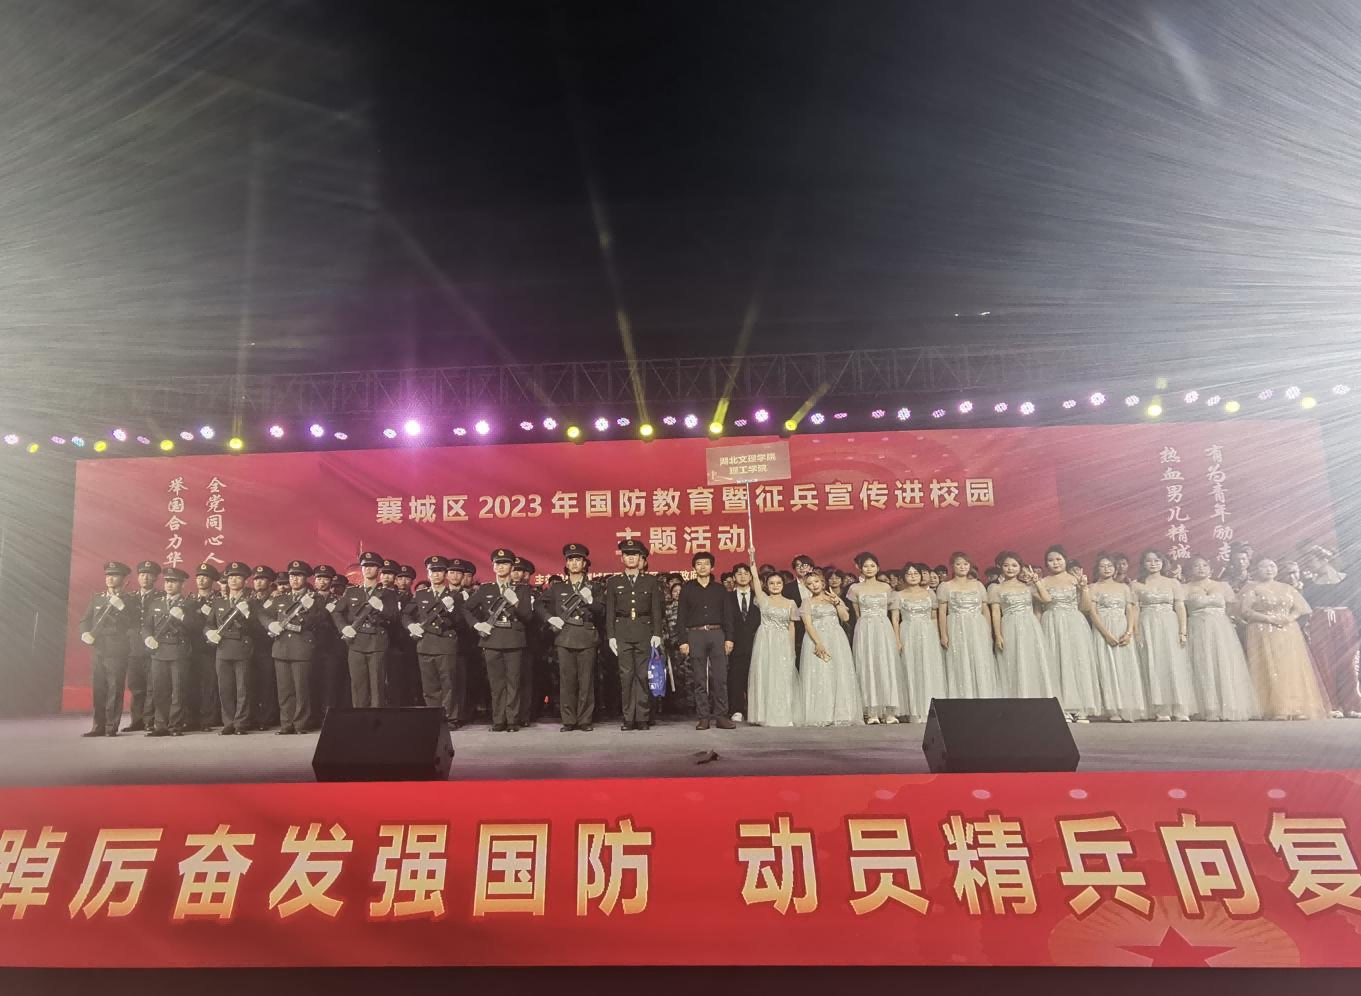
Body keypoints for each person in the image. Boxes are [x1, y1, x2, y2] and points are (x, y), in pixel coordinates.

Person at [1239, 558, 1329, 720]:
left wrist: (1289, 618)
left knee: (1290, 667)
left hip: (1288, 630)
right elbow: (1245, 611)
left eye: (1272, 566)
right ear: (1256, 570)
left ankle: (1296, 707)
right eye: (1264, 567)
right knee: (1268, 665)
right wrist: (1268, 619)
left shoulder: (1286, 588)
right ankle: (1274, 708)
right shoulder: (1251, 588)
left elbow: (1300, 608)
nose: (1269, 569)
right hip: (1262, 629)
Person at [464, 549, 535, 731]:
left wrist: (516, 603)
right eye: (498, 563)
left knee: (513, 682)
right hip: (492, 640)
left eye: (505, 563)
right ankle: (498, 720)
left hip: (514, 640)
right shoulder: (486, 589)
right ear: (493, 566)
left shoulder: (522, 589)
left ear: (512, 567)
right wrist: (477, 625)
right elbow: (466, 608)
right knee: (496, 683)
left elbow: (528, 617)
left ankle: (512, 720)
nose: (501, 567)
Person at [1183, 555, 1258, 721]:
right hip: (1197, 628)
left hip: (1221, 629)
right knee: (1203, 665)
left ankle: (1229, 706)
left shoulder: (1223, 586)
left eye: (1204, 565)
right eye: (1196, 566)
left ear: (1210, 568)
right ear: (1189, 570)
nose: (1201, 568)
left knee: (1224, 664)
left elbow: (1232, 608)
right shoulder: (1184, 588)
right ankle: (1209, 708)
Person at [538, 543, 601, 732]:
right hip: (565, 636)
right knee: (567, 681)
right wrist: (550, 618)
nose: (574, 563)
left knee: (586, 681)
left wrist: (590, 600)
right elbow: (539, 604)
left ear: (584, 563)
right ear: (566, 563)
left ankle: (585, 720)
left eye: (578, 560)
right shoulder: (558, 588)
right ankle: (568, 720)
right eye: (571, 560)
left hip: (586, 636)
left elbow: (602, 610)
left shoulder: (594, 587)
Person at [263, 560, 330, 735]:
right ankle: (286, 724)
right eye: (292, 575)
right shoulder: (280, 598)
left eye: (299, 575)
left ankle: (301, 724)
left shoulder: (315, 599)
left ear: (306, 578)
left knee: (302, 689)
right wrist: (270, 624)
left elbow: (322, 621)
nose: (294, 579)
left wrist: (311, 608)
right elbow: (262, 613)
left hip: (302, 648)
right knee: (284, 690)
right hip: (281, 648)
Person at [605, 539, 665, 731]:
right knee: (626, 676)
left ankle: (642, 717)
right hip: (622, 632)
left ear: (641, 558)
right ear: (622, 558)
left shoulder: (651, 581)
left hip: (644, 631)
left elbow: (656, 610)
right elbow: (610, 611)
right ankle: (628, 718)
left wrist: (657, 633)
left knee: (643, 675)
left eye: (635, 555)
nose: (631, 558)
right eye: (627, 555)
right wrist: (611, 636)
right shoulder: (614, 582)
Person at [1132, 549, 1197, 722]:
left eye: (1157, 560)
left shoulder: (1173, 583)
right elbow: (1135, 609)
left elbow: (1180, 607)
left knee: (1174, 664)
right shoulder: (1136, 584)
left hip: (1170, 625)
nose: (1153, 564)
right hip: (1147, 625)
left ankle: (1180, 708)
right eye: (1149, 561)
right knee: (1153, 663)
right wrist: (1136, 631)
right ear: (1143, 564)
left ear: (1163, 563)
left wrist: (1182, 631)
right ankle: (1161, 708)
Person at [1037, 546, 1099, 722]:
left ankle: (1081, 708)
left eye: (1058, 559)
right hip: (1052, 623)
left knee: (1077, 662)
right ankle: (1061, 707)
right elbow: (1040, 607)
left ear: (1065, 560)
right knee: (1057, 663)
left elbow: (1085, 607)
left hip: (1074, 623)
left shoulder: (1075, 580)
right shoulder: (1043, 582)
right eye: (1050, 560)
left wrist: (1084, 588)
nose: (1055, 563)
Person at [331, 551, 400, 709]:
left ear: (378, 570)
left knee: (377, 686)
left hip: (377, 642)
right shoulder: (352, 591)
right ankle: (360, 719)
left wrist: (381, 607)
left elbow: (395, 617)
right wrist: (344, 628)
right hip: (356, 642)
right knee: (358, 685)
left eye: (372, 566)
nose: (368, 569)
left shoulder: (387, 594)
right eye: (365, 566)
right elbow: (336, 612)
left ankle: (377, 719)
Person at [1299, 544, 1361, 718]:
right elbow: (1306, 607)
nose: (1308, 565)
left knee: (1348, 661)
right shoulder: (1309, 584)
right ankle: (1331, 704)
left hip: (1344, 621)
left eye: (1311, 561)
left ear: (1324, 560)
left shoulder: (1348, 579)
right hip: (1319, 622)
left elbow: (1357, 605)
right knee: (1324, 662)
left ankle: (1352, 704)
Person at [404, 556, 465, 727]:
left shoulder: (455, 596)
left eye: (440, 571)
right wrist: (411, 626)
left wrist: (451, 608)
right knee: (430, 685)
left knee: (449, 684)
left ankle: (450, 718)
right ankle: (434, 717)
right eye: (433, 571)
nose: (436, 575)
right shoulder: (421, 594)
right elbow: (405, 614)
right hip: (425, 644)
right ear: (428, 574)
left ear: (445, 574)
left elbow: (461, 622)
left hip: (445, 644)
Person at [77, 561, 136, 737]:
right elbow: (85, 620)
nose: (110, 578)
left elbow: (134, 623)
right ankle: (98, 726)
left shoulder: (129, 600)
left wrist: (122, 607)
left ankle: (111, 726)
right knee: (99, 689)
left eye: (114, 575)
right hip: (99, 649)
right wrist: (85, 633)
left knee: (114, 689)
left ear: (123, 578)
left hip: (117, 649)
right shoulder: (98, 599)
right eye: (108, 575)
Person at [1086, 554, 1147, 722]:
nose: (1107, 569)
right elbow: (1093, 613)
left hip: (1122, 628)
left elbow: (1130, 610)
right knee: (1107, 666)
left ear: (1115, 569)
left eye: (1110, 566)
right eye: (1103, 566)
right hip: (1103, 630)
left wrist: (1128, 632)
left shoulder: (1124, 588)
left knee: (1125, 667)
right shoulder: (1093, 588)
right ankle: (1112, 708)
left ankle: (1127, 707)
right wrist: (1106, 634)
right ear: (1097, 569)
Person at [846, 551, 905, 724]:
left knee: (886, 665)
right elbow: (857, 614)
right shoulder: (854, 588)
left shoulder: (886, 587)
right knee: (868, 665)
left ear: (878, 568)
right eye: (865, 566)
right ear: (860, 568)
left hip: (883, 628)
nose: (869, 569)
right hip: (865, 628)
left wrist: (896, 638)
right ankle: (871, 711)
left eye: (872, 565)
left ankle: (889, 711)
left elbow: (892, 613)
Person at [678, 551, 735, 730]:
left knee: (720, 677)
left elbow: (728, 616)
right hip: (696, 635)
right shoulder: (687, 589)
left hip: (717, 633)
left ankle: (721, 716)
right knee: (699, 678)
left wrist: (729, 638)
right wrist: (683, 641)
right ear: (693, 567)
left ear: (712, 567)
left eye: (706, 564)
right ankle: (703, 717)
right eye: (699, 564)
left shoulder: (720, 589)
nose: (702, 567)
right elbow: (681, 617)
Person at [989, 553, 1058, 701]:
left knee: (1031, 660)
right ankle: (1017, 700)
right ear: (1001, 567)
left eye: (1014, 565)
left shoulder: (1028, 587)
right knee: (1013, 662)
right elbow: (995, 612)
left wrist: (1036, 581)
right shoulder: (995, 588)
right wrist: (998, 635)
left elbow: (1047, 599)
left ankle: (1036, 698)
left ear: (1020, 568)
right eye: (1006, 565)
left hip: (1030, 626)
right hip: (1009, 626)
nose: (1010, 568)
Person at [140, 566, 199, 736]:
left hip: (179, 651)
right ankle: (160, 725)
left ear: (182, 584)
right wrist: (147, 637)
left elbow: (197, 627)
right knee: (159, 690)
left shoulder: (189, 604)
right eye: (167, 581)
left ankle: (175, 725)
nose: (169, 585)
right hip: (159, 651)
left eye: (173, 582)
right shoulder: (156, 603)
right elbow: (146, 626)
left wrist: (183, 617)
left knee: (178, 691)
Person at [798, 569, 862, 726]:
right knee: (820, 673)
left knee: (839, 672)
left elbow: (845, 617)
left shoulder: (833, 598)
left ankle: (841, 713)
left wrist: (837, 602)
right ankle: (821, 714)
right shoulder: (807, 602)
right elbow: (808, 624)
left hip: (836, 639)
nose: (814, 585)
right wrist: (818, 643)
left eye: (816, 582)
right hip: (816, 639)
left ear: (822, 582)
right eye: (809, 584)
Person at [746, 566, 802, 727]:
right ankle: (764, 714)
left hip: (783, 641)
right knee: (765, 674)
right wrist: (752, 564)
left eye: (778, 583)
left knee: (783, 676)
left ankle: (784, 713)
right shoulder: (763, 599)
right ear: (767, 585)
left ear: (783, 585)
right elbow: (755, 581)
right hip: (765, 641)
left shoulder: (790, 603)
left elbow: (791, 627)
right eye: (771, 583)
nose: (775, 586)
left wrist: (792, 649)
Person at [938, 551, 998, 698]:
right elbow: (942, 612)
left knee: (979, 659)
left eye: (965, 564)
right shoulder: (946, 586)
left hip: (977, 626)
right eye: (958, 564)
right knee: (960, 660)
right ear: (952, 566)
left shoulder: (978, 585)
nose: (962, 567)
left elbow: (985, 609)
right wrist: (944, 634)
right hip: (956, 626)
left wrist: (988, 630)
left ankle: (982, 696)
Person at [207, 561, 257, 735]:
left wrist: (248, 614)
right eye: (231, 577)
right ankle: (228, 722)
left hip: (242, 648)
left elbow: (258, 627)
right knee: (225, 688)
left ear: (245, 581)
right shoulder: (219, 602)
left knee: (243, 688)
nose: (234, 580)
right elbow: (209, 624)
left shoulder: (251, 601)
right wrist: (209, 633)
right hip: (222, 649)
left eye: (238, 577)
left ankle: (241, 723)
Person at [895, 564, 946, 723]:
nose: (913, 576)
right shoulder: (898, 595)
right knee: (911, 667)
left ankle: (930, 708)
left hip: (928, 633)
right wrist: (897, 640)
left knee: (929, 668)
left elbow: (934, 617)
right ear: (904, 577)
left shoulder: (930, 594)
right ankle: (914, 711)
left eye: (916, 573)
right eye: (909, 574)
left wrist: (937, 636)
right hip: (908, 632)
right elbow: (895, 619)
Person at [123, 560, 162, 732]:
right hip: (133, 647)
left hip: (154, 646)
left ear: (155, 578)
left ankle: (149, 720)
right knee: (135, 685)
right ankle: (136, 720)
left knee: (152, 686)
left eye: (149, 575)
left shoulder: (161, 597)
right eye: (142, 574)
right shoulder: (129, 598)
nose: (145, 578)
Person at [185, 563, 222, 731]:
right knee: (191, 684)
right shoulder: (189, 600)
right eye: (199, 577)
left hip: (210, 648)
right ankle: (191, 719)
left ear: (212, 580)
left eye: (205, 577)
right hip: (192, 647)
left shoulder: (218, 600)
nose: (201, 580)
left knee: (209, 685)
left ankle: (207, 720)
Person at [723, 563, 761, 722]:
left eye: (746, 573)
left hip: (757, 641)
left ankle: (755, 709)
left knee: (756, 676)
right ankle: (737, 709)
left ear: (751, 577)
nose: (743, 576)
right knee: (735, 676)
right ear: (734, 577)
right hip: (735, 642)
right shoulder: (727, 597)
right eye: (739, 574)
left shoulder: (759, 596)